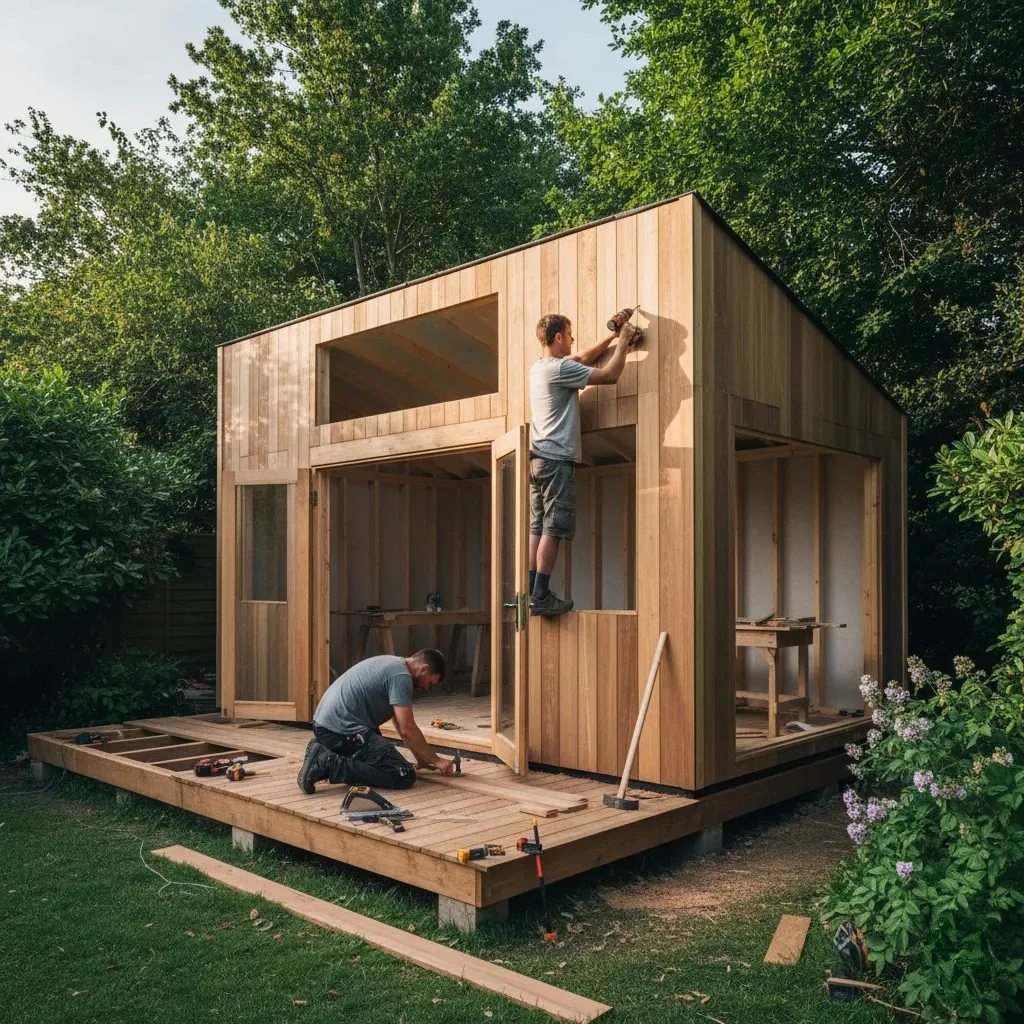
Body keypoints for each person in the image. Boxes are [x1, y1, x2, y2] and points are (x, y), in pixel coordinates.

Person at [528, 313, 638, 615]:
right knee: (554, 526)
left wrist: (613, 337)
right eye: (570, 333)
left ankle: (530, 592)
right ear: (558, 337)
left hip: (537, 461)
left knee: (537, 527)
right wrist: (625, 344)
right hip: (556, 459)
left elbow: (582, 357)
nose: (573, 338)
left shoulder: (540, 368)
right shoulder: (560, 369)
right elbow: (610, 375)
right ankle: (541, 597)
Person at [296, 648, 456, 794]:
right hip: (341, 730)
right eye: (429, 682)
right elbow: (408, 728)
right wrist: (437, 760)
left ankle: (325, 753)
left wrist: (420, 756)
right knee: (402, 774)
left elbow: (400, 724)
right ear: (424, 669)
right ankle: (328, 763)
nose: (426, 688)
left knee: (383, 760)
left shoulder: (393, 664)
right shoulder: (401, 677)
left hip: (327, 726)